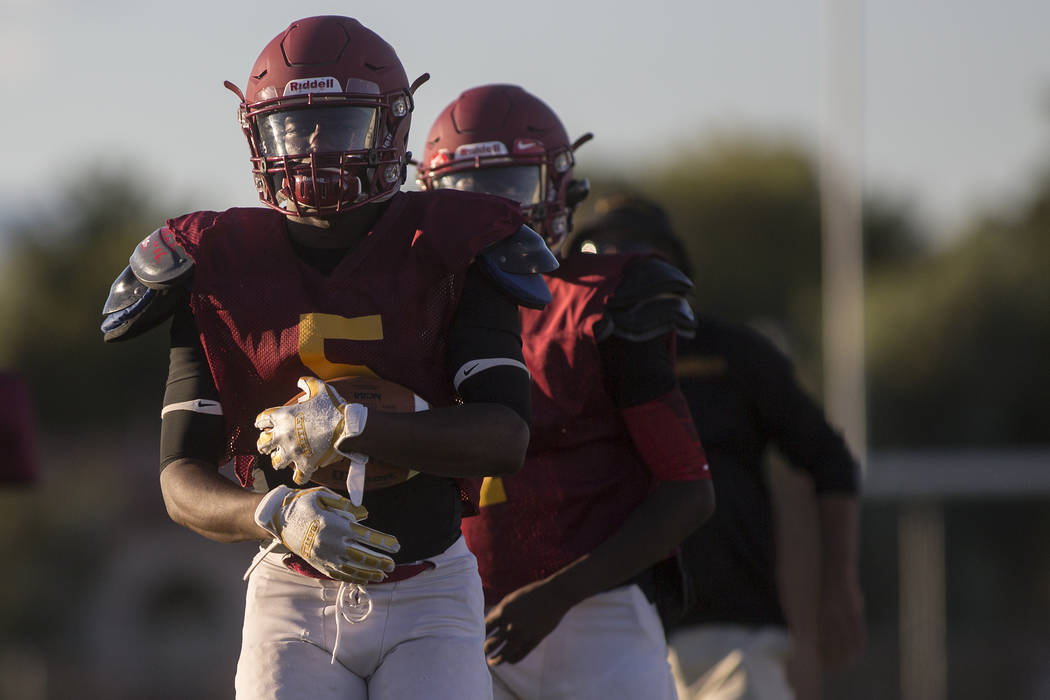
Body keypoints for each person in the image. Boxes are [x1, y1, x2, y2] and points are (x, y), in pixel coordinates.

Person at [101, 17, 556, 700]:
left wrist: (354, 426)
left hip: (429, 589)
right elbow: (180, 477)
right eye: (294, 127)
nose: (314, 149)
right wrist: (274, 513)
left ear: (391, 128)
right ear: (258, 132)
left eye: (340, 125)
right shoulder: (215, 263)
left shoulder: (453, 241)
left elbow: (504, 436)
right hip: (293, 590)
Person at [415, 84, 717, 699]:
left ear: (559, 189)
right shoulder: (415, 310)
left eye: (513, 187)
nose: (496, 213)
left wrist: (557, 596)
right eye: (469, 192)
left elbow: (689, 491)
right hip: (450, 611)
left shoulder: (601, 304)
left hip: (591, 617)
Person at [570, 195, 866, 700]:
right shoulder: (558, 360)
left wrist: (839, 582)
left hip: (730, 639)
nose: (620, 265)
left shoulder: (732, 354)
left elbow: (830, 461)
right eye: (602, 251)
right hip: (600, 632)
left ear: (674, 266)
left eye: (638, 251)